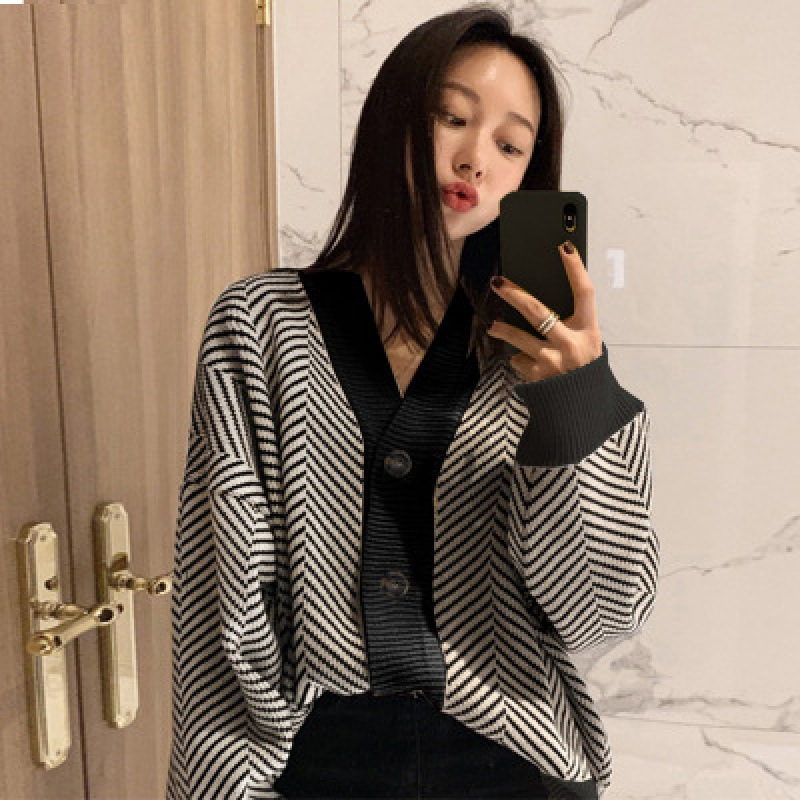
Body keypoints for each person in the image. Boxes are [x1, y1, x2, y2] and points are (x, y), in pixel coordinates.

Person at [166, 5, 659, 799]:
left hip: (513, 765)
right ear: (392, 120)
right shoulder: (260, 324)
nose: (474, 159)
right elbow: (220, 601)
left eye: (510, 146)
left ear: (527, 180)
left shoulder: (551, 358)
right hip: (321, 763)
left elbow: (601, 614)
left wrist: (574, 406)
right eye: (451, 117)